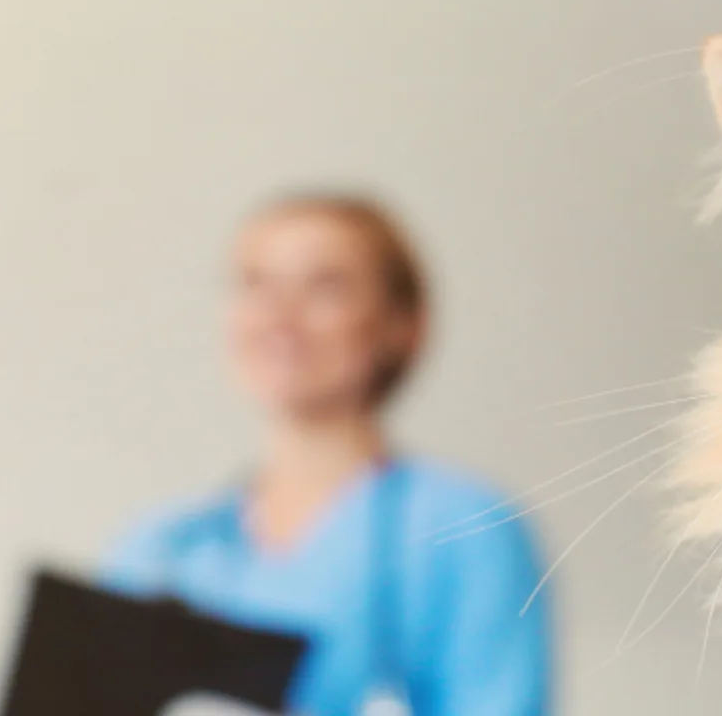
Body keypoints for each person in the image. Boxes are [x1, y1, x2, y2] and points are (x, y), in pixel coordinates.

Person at [102, 194, 555, 716]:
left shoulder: (467, 530)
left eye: (326, 287)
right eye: (256, 284)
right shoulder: (161, 548)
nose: (279, 317)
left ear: (401, 326)